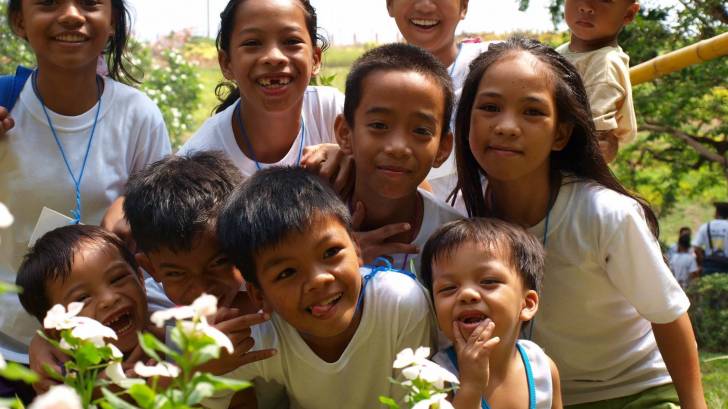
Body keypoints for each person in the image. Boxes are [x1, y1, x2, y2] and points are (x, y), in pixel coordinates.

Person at [453, 37, 706, 408]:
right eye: (490, 107)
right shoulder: (462, 217)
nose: (507, 126)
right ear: (466, 119)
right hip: (533, 397)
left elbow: (668, 315)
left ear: (561, 133)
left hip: (634, 393)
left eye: (532, 112)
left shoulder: (606, 215)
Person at [0, 0, 171, 384]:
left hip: (115, 346)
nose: (72, 15)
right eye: (48, 2)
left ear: (111, 20)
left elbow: (160, 247)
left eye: (90, 2)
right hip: (9, 349)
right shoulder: (3, 107)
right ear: (19, 21)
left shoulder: (137, 117)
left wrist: (149, 330)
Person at [207, 166, 434, 409]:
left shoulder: (400, 303)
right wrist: (208, 366)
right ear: (259, 295)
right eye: (287, 272)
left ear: (357, 248)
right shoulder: (260, 336)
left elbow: (417, 402)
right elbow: (206, 399)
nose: (318, 279)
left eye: (331, 252)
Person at [123, 151, 275, 375]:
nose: (202, 290)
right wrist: (193, 367)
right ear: (150, 269)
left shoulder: (277, 301)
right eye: (176, 274)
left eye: (218, 263)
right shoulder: (152, 312)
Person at [178, 0, 344, 181]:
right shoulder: (197, 165)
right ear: (226, 63)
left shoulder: (333, 115)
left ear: (315, 58)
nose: (273, 57)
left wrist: (352, 156)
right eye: (252, 43)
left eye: (291, 41)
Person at [334, 43, 462, 278]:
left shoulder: (456, 241)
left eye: (421, 131)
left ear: (443, 148)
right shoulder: (306, 221)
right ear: (344, 133)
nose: (398, 148)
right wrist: (333, 257)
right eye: (379, 125)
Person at [421, 218, 562, 408]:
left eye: (488, 281)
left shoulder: (542, 370)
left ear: (527, 304)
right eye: (448, 288)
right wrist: (471, 388)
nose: (467, 294)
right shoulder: (435, 377)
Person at [386, 0, 490, 201]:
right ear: (390, 4)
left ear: (464, 7)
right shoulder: (375, 83)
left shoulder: (492, 64)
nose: (425, 6)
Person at [16, 225, 152, 364]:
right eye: (82, 298)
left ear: (141, 279)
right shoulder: (67, 380)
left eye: (118, 278)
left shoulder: (168, 308)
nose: (109, 299)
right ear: (58, 331)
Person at [556, 0, 639, 163]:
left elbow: (597, 143)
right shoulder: (561, 52)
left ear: (628, 13)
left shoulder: (604, 64)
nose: (586, 6)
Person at [693, 202, 728, 275]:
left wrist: (701, 259)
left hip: (709, 265)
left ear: (717, 213)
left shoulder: (706, 227)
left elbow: (696, 247)